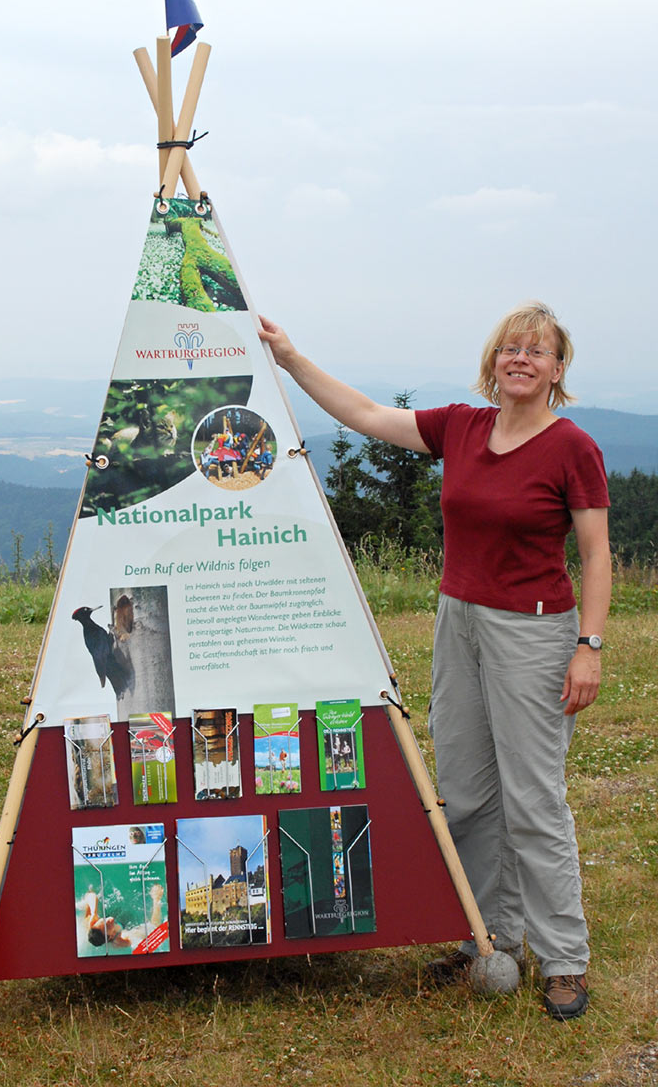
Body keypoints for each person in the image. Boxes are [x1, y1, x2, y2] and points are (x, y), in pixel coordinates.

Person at [258, 302, 611, 1021]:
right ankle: (494, 937)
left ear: (557, 370)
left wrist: (589, 646)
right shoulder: (463, 427)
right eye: (510, 348)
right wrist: (291, 359)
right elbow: (361, 413)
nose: (521, 359)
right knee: (471, 791)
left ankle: (565, 958)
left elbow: (598, 555)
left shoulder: (572, 446)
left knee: (533, 800)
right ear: (494, 362)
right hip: (460, 621)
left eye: (536, 352)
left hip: (536, 632)